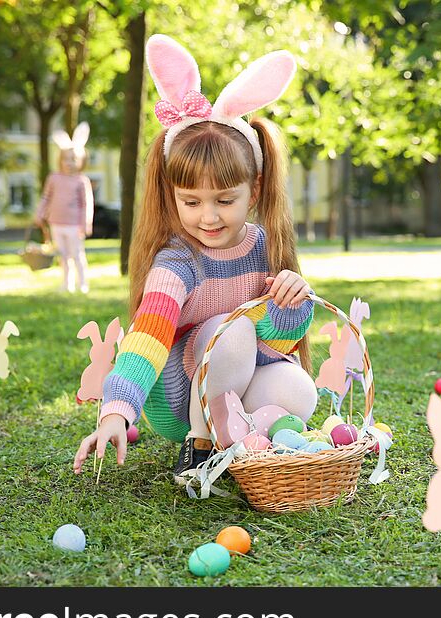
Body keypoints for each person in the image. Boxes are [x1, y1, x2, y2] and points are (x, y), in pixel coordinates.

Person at [72, 35, 318, 483]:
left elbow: (278, 342)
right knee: (234, 325)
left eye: (225, 200)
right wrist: (116, 412)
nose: (208, 217)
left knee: (300, 391)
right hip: (178, 394)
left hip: (236, 380)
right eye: (191, 201)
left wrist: (294, 303)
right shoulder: (177, 262)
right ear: (173, 196)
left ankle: (243, 441)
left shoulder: (265, 248)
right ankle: (200, 448)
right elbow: (145, 338)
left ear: (255, 190)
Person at [34, 122, 94, 294]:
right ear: (60, 160)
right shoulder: (54, 178)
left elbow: (86, 204)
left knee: (77, 254)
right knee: (63, 255)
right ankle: (66, 284)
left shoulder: (82, 180)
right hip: (56, 223)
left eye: (73, 159)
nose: (69, 163)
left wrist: (86, 223)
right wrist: (40, 214)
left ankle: (83, 283)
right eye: (66, 159)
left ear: (81, 160)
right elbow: (46, 197)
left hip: (74, 225)